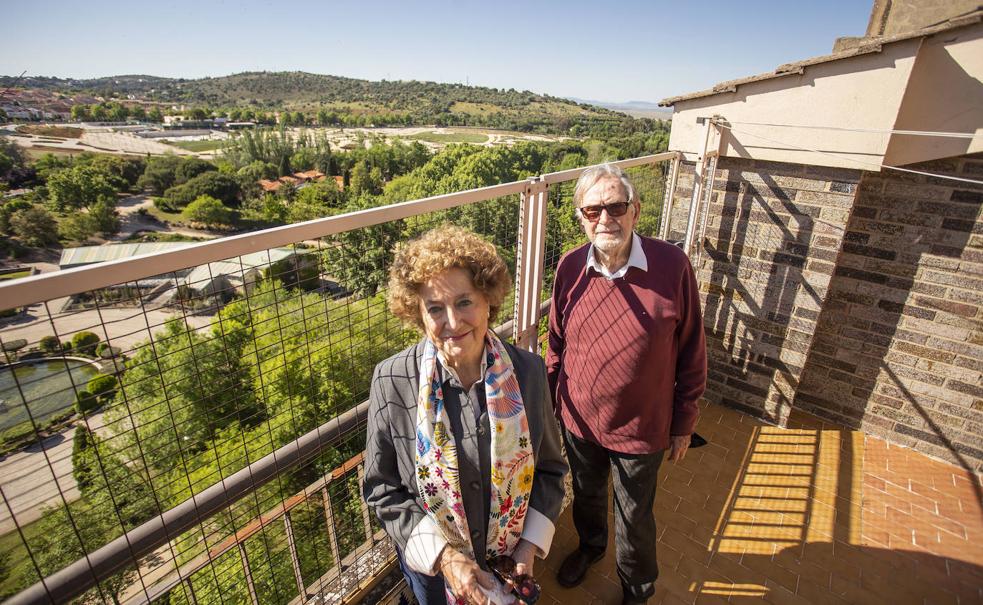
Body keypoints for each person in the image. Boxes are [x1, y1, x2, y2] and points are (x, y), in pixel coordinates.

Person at [363, 225, 568, 605]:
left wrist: (527, 548)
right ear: (417, 314)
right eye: (435, 308)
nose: (453, 323)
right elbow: (381, 487)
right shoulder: (392, 380)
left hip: (509, 571)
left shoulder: (528, 372)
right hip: (436, 582)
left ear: (488, 300)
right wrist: (444, 559)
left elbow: (552, 470)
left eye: (464, 303)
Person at [547, 164, 707, 605]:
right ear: (581, 217)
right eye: (593, 209)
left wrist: (684, 421)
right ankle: (590, 547)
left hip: (643, 426)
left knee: (635, 515)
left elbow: (693, 347)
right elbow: (556, 340)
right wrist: (552, 399)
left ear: (635, 210)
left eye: (616, 206)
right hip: (579, 418)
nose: (605, 219)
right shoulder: (570, 268)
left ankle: (637, 587)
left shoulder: (672, 265)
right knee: (587, 495)